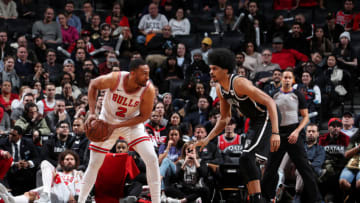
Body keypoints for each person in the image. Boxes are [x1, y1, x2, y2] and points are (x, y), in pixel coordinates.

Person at [197, 48, 280, 203]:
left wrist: (275, 132)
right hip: (255, 120)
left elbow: (270, 102)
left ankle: (264, 197)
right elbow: (224, 119)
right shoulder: (219, 88)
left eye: (215, 68)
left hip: (267, 116)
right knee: (244, 160)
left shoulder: (239, 83)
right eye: (210, 68)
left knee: (248, 156)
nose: (211, 72)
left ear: (226, 69)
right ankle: (256, 198)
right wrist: (206, 139)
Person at [78, 58, 161, 203]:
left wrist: (116, 126)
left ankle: (157, 201)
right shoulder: (115, 79)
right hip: (106, 121)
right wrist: (92, 113)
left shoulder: (148, 89)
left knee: (152, 158)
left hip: (132, 125)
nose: (147, 77)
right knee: (94, 163)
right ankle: (81, 200)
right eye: (144, 74)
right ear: (133, 73)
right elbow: (93, 85)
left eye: (148, 74)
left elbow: (144, 116)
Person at [262, 69, 320, 202]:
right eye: (285, 77)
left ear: (292, 80)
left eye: (289, 78)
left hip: (294, 132)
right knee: (271, 167)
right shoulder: (274, 94)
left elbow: (305, 117)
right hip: (278, 133)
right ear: (281, 79)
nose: (287, 80)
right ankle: (265, 198)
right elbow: (270, 116)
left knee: (305, 168)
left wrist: (297, 131)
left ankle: (316, 199)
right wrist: (273, 133)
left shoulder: (298, 94)